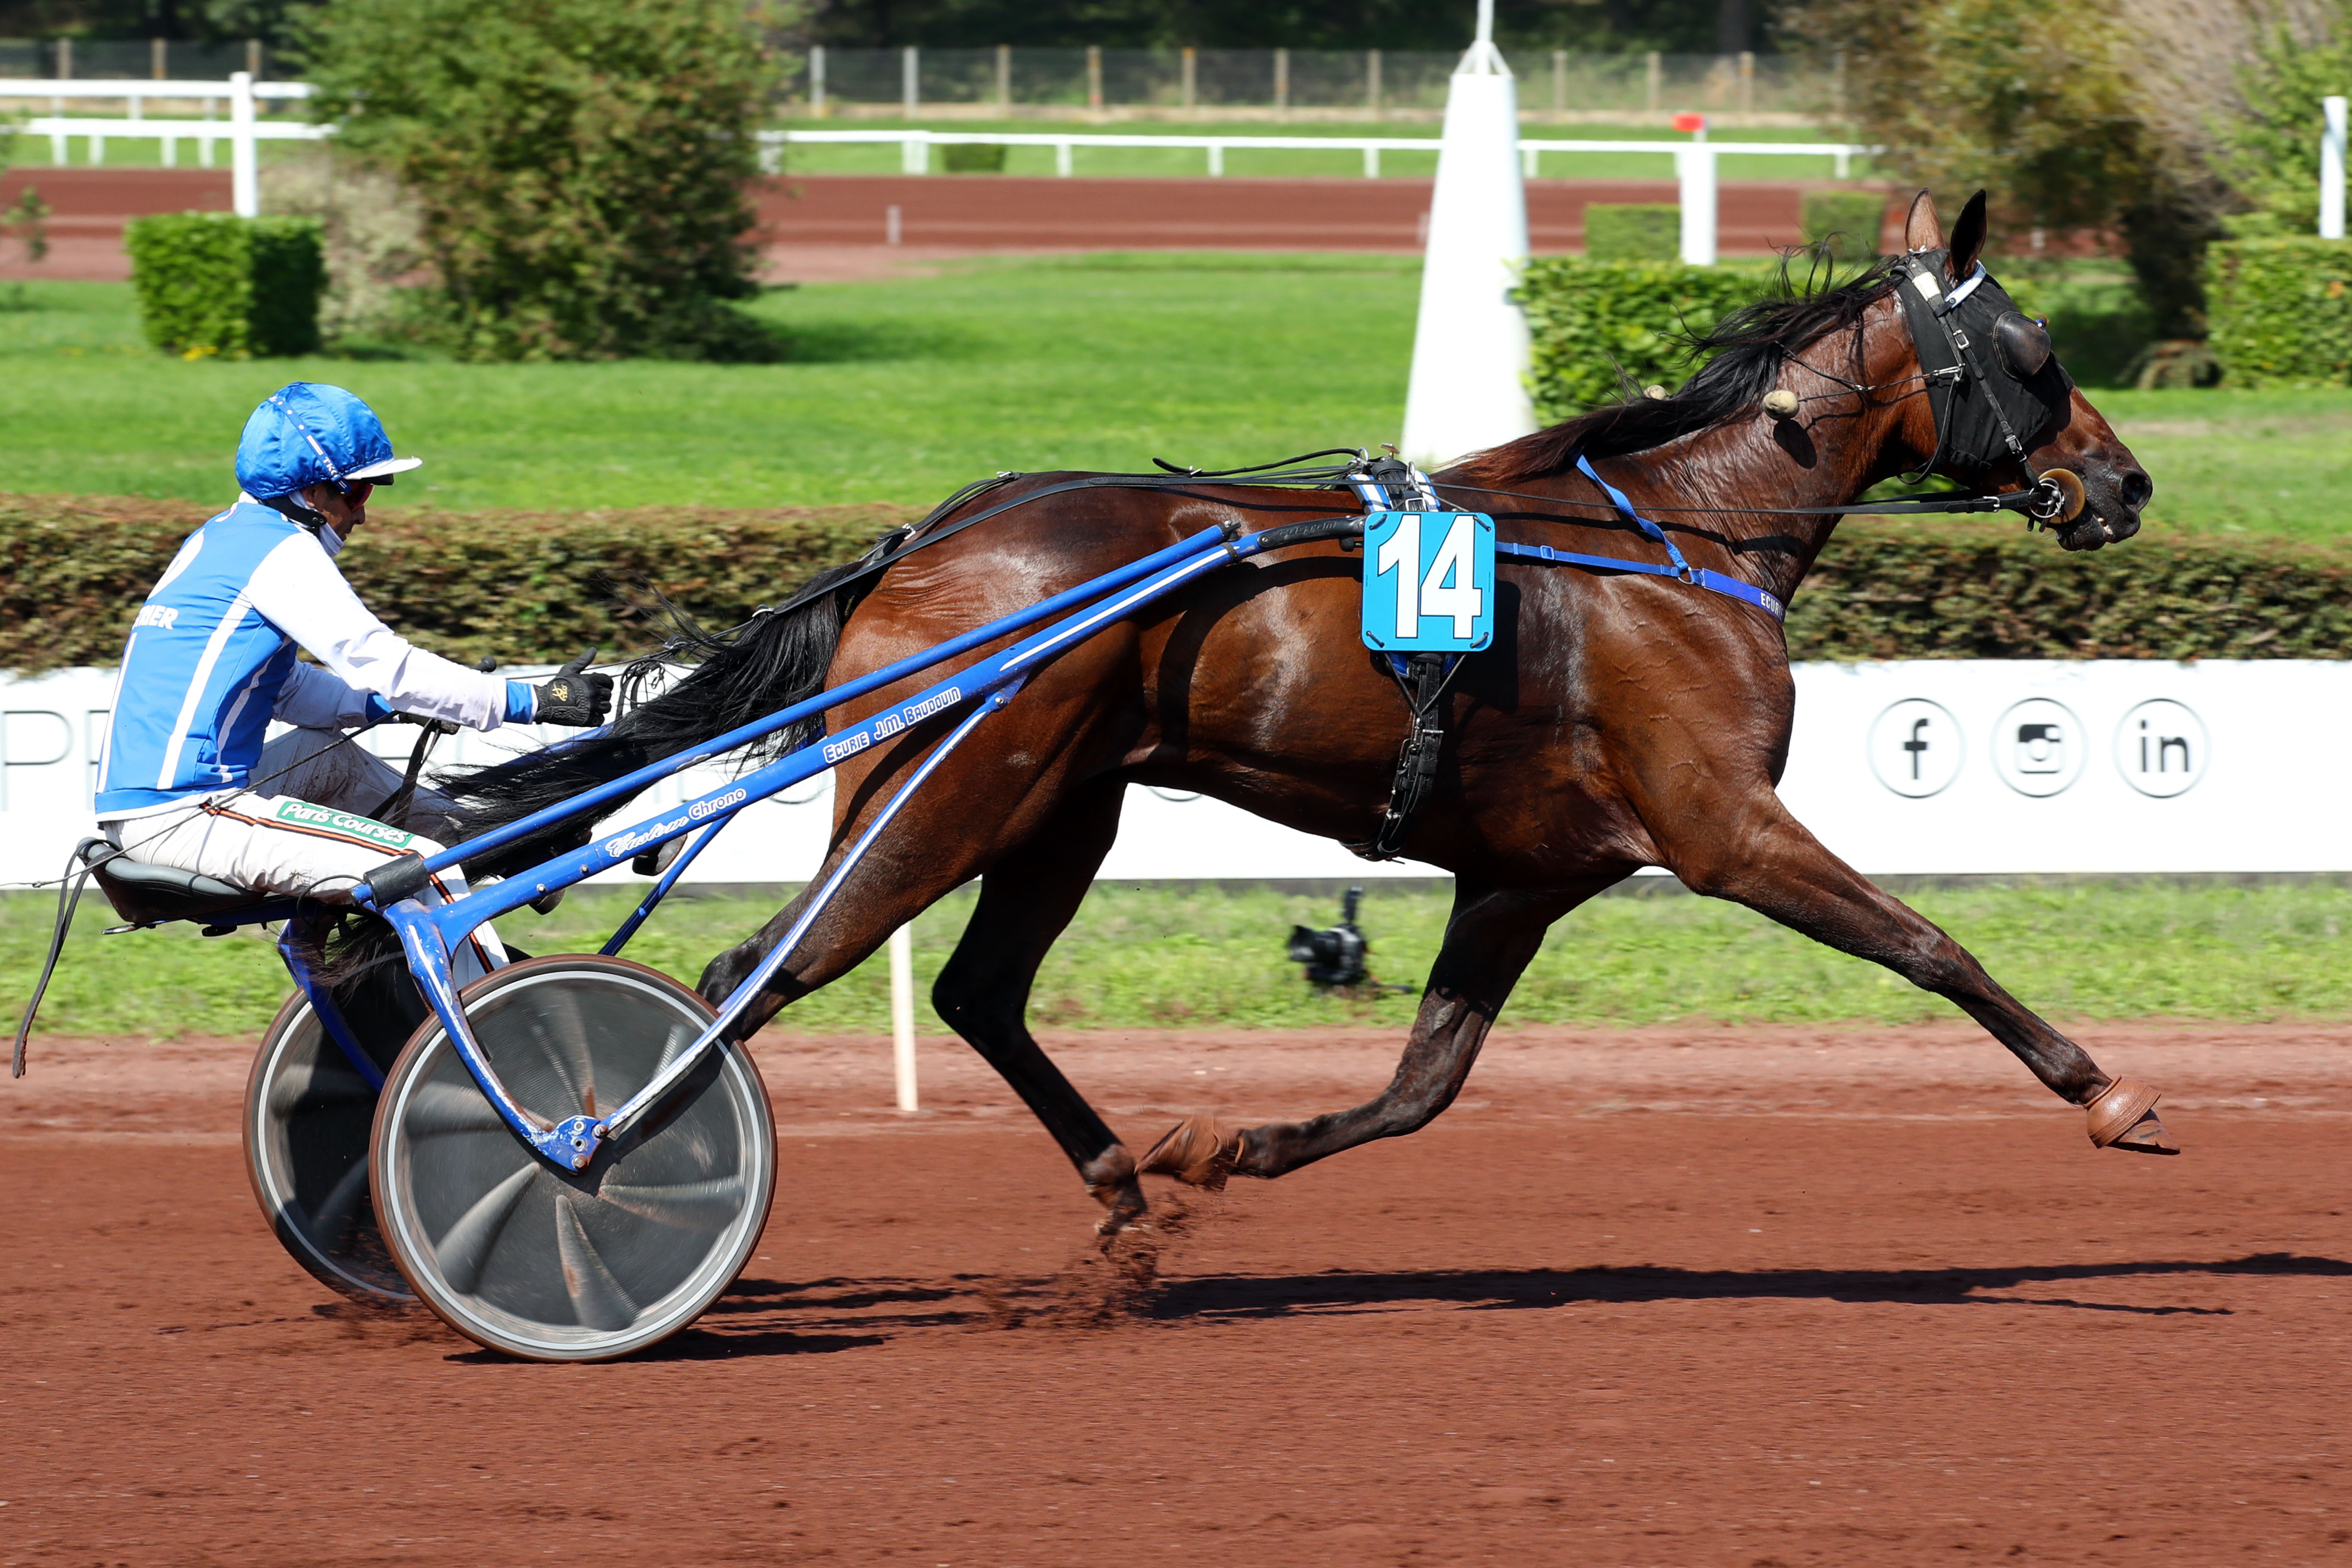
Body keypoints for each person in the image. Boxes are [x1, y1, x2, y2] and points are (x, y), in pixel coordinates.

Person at [92, 382, 610, 976]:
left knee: (323, 755)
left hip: (157, 808)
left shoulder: (220, 536)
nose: (364, 511)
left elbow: (286, 690)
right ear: (312, 491)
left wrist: (390, 708)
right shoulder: (281, 552)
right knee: (418, 864)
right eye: (360, 489)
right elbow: (386, 663)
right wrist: (530, 700)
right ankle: (497, 1022)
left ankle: (505, 848)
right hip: (188, 814)